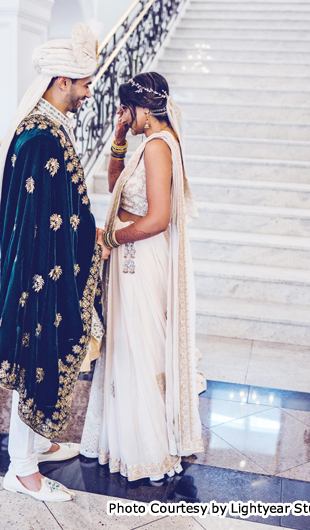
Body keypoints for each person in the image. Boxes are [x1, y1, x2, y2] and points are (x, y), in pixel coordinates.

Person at [0, 22, 110, 501]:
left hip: (47, 266)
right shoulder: (39, 137)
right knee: (35, 357)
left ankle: (37, 444)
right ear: (61, 83)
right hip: (38, 273)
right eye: (84, 83)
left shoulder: (49, 128)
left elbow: (57, 207)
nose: (88, 91)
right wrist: (86, 240)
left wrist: (86, 232)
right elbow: (37, 220)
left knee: (47, 358)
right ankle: (20, 468)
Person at [80, 72, 204, 481]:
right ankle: (131, 438)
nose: (123, 115)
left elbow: (158, 218)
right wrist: (118, 137)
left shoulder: (157, 147)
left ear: (144, 109)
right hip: (130, 255)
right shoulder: (149, 143)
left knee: (140, 346)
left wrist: (112, 237)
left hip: (140, 257)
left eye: (126, 110)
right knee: (130, 345)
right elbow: (117, 185)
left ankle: (148, 449)